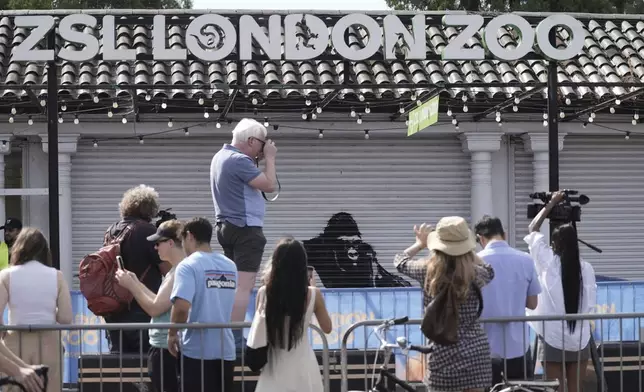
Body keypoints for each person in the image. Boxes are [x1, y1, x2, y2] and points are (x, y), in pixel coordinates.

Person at [394, 217, 494, 392]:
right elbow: (490, 270)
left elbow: (400, 261)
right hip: (476, 351)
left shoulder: (426, 271)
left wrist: (420, 244)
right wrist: (468, 251)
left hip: (443, 351)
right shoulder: (476, 274)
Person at [210, 118, 277, 348]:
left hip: (227, 226)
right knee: (244, 286)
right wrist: (270, 158)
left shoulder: (221, 157)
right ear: (250, 140)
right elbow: (269, 184)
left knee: (232, 284)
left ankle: (229, 334)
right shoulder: (239, 161)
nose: (262, 147)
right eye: (261, 143)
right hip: (245, 229)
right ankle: (235, 339)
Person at [525, 191, 597, 392]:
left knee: (553, 389)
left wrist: (550, 205)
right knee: (575, 389)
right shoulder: (587, 268)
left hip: (552, 337)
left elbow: (533, 228)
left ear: (555, 245)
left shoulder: (548, 262)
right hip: (579, 339)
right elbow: (590, 303)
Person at [167, 217, 237, 392]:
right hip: (225, 350)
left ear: (189, 236)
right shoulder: (230, 265)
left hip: (196, 350)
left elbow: (181, 306)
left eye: (182, 240)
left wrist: (172, 333)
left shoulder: (188, 266)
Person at [253, 238, 332, 392]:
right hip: (304, 367)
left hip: (273, 367)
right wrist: (313, 288)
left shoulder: (264, 293)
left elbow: (260, 327)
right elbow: (327, 327)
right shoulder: (313, 294)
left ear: (275, 263)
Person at [115, 220, 185, 392]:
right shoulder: (175, 270)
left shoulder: (180, 271)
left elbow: (155, 308)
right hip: (164, 346)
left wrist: (132, 286)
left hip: (166, 348)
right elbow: (161, 301)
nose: (155, 248)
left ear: (170, 243)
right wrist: (136, 282)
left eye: (158, 243)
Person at [0, 227, 73, 392]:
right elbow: (65, 318)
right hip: (49, 341)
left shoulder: (6, 275)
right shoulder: (57, 276)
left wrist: (3, 334)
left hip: (15, 341)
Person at [103, 185, 172, 354]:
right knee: (145, 365)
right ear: (150, 209)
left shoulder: (112, 230)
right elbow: (168, 270)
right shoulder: (147, 231)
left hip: (114, 310)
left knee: (120, 368)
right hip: (142, 309)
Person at [474, 215, 541, 384]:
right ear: (504, 234)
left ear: (481, 238)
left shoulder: (473, 263)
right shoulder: (525, 259)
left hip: (484, 348)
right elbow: (533, 304)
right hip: (518, 346)